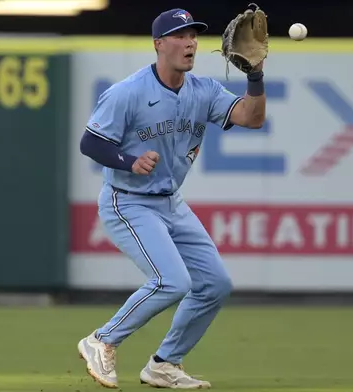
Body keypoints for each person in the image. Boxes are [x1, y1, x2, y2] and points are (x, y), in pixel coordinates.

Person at [77, 7, 266, 390]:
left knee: (215, 284)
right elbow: (91, 142)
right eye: (180, 36)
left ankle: (164, 363)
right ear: (158, 44)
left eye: (194, 36)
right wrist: (129, 161)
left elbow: (251, 118)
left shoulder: (204, 91)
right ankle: (101, 339)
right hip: (127, 201)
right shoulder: (128, 92)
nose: (190, 42)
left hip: (171, 203)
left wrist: (256, 76)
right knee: (172, 281)